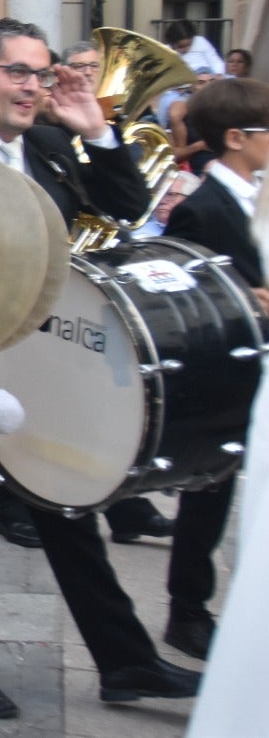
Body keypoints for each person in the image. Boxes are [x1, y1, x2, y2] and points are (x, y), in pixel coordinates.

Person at [0, 17, 200, 719]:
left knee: (69, 509)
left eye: (41, 73)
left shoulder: (57, 148)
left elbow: (127, 209)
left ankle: (125, 662)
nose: (33, 87)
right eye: (18, 73)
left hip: (40, 368)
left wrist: (97, 129)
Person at [159, 77, 269, 660]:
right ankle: (187, 609)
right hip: (229, 371)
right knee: (209, 494)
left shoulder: (261, 195)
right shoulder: (201, 208)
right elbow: (184, 292)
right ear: (234, 138)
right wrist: (244, 299)